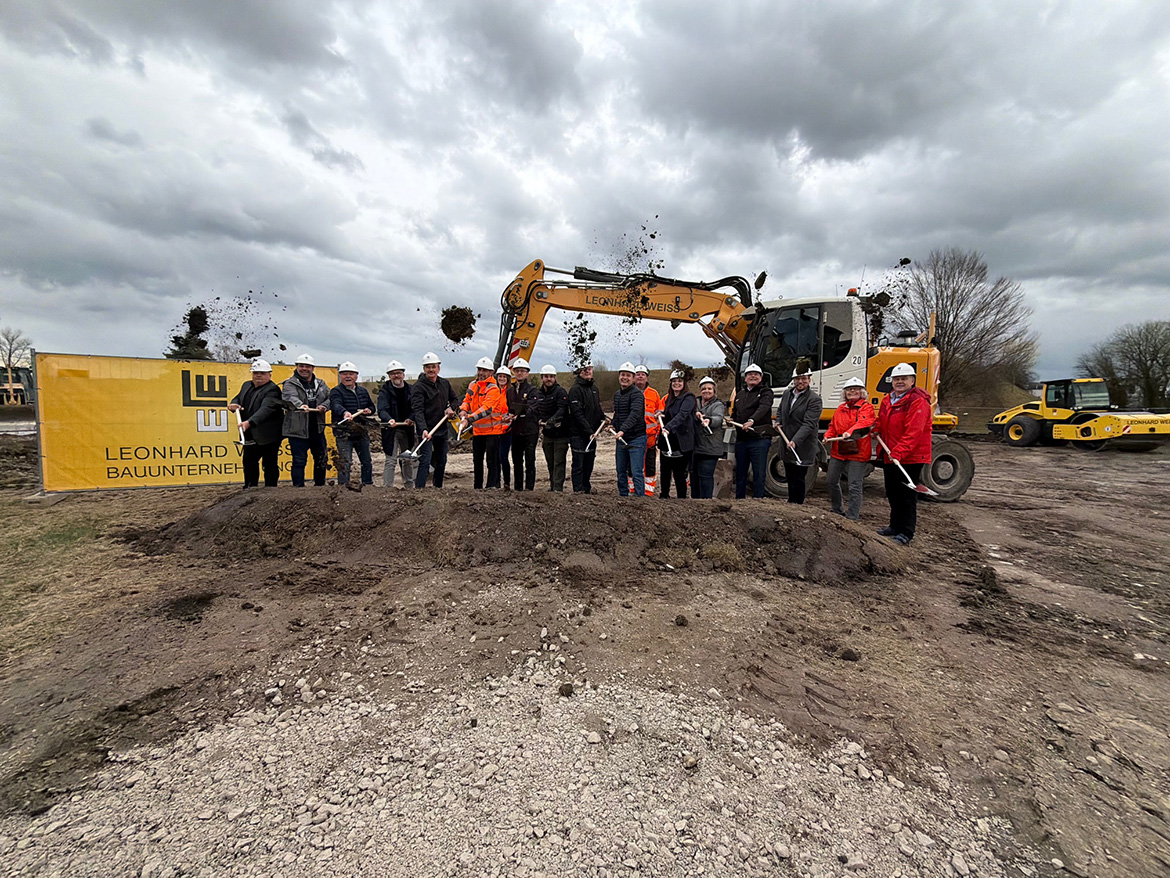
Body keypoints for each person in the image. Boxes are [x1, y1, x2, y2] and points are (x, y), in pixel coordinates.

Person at [875, 362, 933, 545]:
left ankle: (906, 532)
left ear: (912, 380)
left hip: (910, 456)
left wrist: (899, 452)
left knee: (906, 495)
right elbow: (883, 421)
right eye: (896, 379)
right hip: (890, 453)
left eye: (904, 379)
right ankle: (895, 525)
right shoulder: (887, 399)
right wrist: (876, 429)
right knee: (892, 492)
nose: (899, 382)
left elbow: (914, 432)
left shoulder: (917, 401)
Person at [823, 376, 876, 521]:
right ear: (845, 393)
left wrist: (850, 431)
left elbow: (866, 422)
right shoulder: (840, 409)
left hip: (858, 452)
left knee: (854, 485)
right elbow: (833, 426)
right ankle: (837, 509)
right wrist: (828, 435)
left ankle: (852, 516)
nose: (852, 391)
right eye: (849, 390)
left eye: (856, 389)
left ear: (862, 392)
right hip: (839, 451)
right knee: (831, 480)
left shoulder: (866, 407)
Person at [229, 358, 283, 488]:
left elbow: (266, 409)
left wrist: (250, 422)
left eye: (262, 373)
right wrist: (233, 403)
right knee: (249, 461)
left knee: (269, 463)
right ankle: (250, 487)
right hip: (249, 433)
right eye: (255, 372)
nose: (258, 375)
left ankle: (271, 489)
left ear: (269, 375)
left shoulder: (273, 390)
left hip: (268, 435)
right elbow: (239, 397)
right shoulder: (246, 385)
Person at [777, 361, 823, 504]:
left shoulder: (814, 399)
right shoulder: (787, 394)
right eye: (797, 379)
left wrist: (795, 441)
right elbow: (780, 411)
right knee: (789, 474)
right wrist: (778, 421)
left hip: (802, 444)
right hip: (786, 441)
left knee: (799, 476)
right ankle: (791, 502)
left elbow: (809, 424)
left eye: (804, 379)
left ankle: (798, 505)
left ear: (809, 380)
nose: (800, 381)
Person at [410, 352, 459, 488]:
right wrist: (423, 429)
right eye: (427, 367)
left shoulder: (445, 383)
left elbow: (455, 399)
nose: (431, 370)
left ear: (438, 368)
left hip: (441, 429)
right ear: (424, 369)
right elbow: (418, 410)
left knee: (441, 460)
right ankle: (419, 489)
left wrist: (452, 408)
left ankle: (438, 488)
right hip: (426, 430)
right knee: (425, 461)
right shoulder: (418, 387)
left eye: (433, 366)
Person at [281, 353, 329, 487]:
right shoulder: (289, 383)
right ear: (296, 367)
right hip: (298, 430)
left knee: (321, 460)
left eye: (307, 366)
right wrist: (300, 405)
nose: (304, 369)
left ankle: (320, 488)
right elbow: (289, 397)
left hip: (317, 429)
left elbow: (331, 398)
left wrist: (324, 406)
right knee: (299, 461)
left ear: (313, 368)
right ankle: (299, 490)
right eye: (301, 366)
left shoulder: (321, 384)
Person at [460, 357, 506, 490]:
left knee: (492, 461)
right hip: (478, 431)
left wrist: (468, 418)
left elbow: (486, 409)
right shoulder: (473, 385)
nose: (481, 372)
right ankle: (477, 487)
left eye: (484, 370)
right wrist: (463, 411)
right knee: (477, 461)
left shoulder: (493, 388)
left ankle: (492, 486)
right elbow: (466, 400)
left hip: (492, 431)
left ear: (491, 372)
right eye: (479, 369)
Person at [731, 363, 775, 499]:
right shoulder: (740, 394)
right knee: (740, 473)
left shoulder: (766, 392)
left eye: (756, 374)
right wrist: (731, 419)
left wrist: (752, 420)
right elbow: (735, 412)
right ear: (745, 378)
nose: (753, 376)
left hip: (759, 439)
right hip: (742, 440)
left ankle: (758, 500)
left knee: (758, 472)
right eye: (750, 374)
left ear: (761, 378)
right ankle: (740, 500)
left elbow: (763, 408)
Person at [329, 361, 375, 491]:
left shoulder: (362, 391)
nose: (348, 376)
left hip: (360, 431)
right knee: (345, 462)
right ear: (340, 376)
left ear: (356, 376)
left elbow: (371, 406)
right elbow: (336, 405)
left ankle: (368, 486)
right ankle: (343, 489)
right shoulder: (336, 391)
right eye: (344, 374)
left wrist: (369, 411)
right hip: (343, 432)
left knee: (366, 461)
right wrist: (344, 412)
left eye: (351, 374)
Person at [377, 360, 415, 489]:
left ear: (403, 374)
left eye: (398, 373)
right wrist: (389, 419)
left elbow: (416, 408)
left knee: (407, 459)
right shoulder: (385, 390)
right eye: (393, 374)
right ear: (389, 376)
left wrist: (411, 419)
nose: (396, 376)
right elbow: (382, 409)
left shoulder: (411, 390)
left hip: (407, 429)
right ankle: (387, 488)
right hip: (391, 430)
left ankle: (409, 486)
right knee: (391, 460)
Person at [659, 370, 696, 498]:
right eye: (674, 381)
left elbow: (682, 415)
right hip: (668, 439)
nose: (677, 383)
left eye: (679, 381)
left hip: (681, 440)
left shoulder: (689, 398)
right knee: (665, 470)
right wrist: (661, 415)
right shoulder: (669, 398)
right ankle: (664, 494)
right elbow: (669, 416)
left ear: (684, 383)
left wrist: (668, 427)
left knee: (679, 472)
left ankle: (681, 497)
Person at [567, 362, 603, 494]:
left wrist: (603, 419)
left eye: (589, 369)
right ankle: (578, 490)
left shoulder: (594, 389)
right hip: (578, 434)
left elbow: (597, 409)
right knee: (578, 464)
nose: (587, 371)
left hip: (591, 434)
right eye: (584, 369)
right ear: (579, 372)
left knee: (589, 463)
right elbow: (577, 414)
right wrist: (589, 431)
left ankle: (586, 488)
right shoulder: (575, 390)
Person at [612, 362, 646, 497]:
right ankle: (623, 497)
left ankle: (640, 499)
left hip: (636, 438)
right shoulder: (617, 395)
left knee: (636, 471)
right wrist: (613, 425)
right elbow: (618, 414)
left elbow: (635, 414)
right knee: (620, 471)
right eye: (622, 375)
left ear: (633, 378)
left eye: (628, 375)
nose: (624, 378)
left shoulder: (637, 395)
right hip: (622, 439)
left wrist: (622, 430)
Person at [533, 364, 570, 491]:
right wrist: (538, 419)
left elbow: (562, 409)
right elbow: (536, 409)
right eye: (546, 376)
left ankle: (557, 488)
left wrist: (551, 420)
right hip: (548, 435)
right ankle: (552, 485)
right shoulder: (539, 394)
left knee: (558, 463)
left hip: (561, 435)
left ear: (554, 378)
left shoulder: (561, 392)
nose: (548, 379)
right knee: (550, 462)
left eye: (551, 377)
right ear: (542, 378)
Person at [506, 358, 540, 491]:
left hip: (530, 430)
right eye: (517, 371)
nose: (519, 373)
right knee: (517, 461)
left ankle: (529, 489)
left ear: (527, 373)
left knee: (530, 461)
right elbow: (508, 408)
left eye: (522, 371)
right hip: (515, 431)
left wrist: (519, 413)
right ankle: (518, 488)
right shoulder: (510, 392)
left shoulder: (533, 391)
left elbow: (532, 407)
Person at [693, 376, 726, 499]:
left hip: (710, 447)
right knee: (694, 477)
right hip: (696, 446)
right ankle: (695, 502)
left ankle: (706, 502)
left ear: (714, 391)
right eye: (704, 389)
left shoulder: (718, 405)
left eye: (709, 389)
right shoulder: (695, 403)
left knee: (706, 477)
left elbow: (718, 418)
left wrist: (709, 420)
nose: (706, 391)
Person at [634, 365, 662, 496]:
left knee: (649, 465)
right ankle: (633, 489)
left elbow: (660, 414)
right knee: (632, 465)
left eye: (642, 374)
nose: (640, 376)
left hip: (650, 438)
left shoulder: (654, 394)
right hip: (633, 436)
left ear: (646, 377)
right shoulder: (628, 392)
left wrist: (658, 433)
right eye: (637, 374)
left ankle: (648, 491)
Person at [495, 365, 514, 489]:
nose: (502, 379)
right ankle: (496, 483)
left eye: (504, 377)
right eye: (500, 376)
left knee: (503, 457)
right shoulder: (493, 391)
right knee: (495, 458)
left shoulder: (511, 393)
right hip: (493, 429)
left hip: (506, 430)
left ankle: (506, 483)